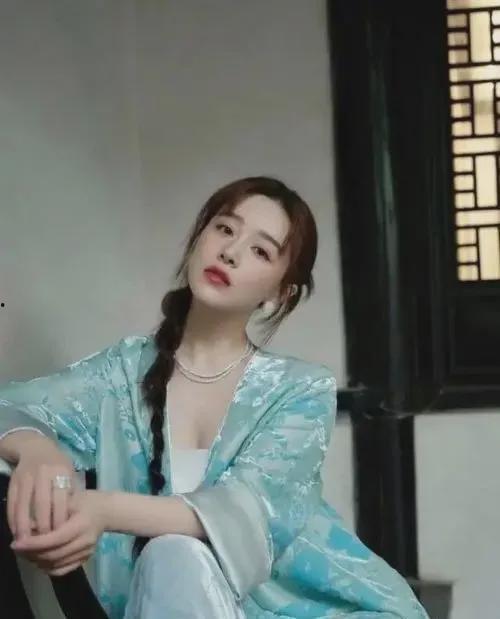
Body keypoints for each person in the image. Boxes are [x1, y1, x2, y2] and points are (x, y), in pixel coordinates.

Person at [0, 177, 429, 618]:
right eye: (225, 229)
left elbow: (245, 511)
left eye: (260, 251)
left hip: (296, 610)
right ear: (199, 236)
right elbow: (8, 406)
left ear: (279, 293)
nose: (230, 252)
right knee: (171, 555)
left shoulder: (300, 390)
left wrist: (103, 509)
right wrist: (36, 449)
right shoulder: (122, 374)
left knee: (173, 550)